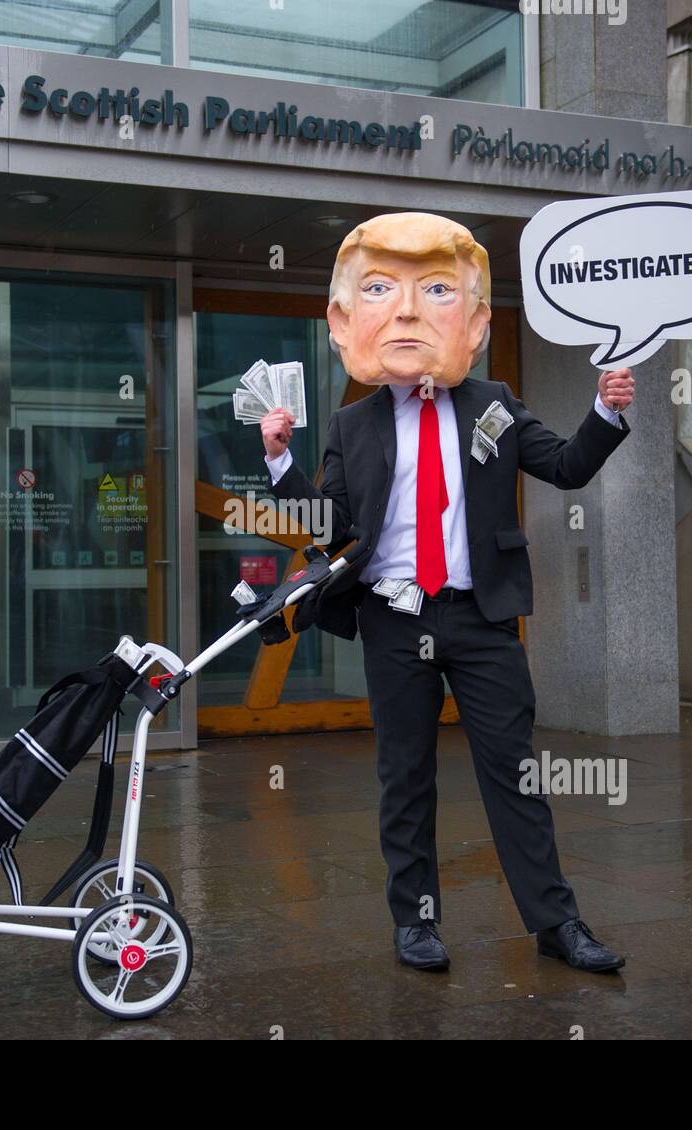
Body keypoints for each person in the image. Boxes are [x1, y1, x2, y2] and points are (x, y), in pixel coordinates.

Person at [259, 212, 634, 973]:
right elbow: (329, 528)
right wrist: (279, 463)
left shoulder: (490, 402)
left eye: (435, 291)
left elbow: (565, 467)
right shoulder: (352, 424)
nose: (408, 313)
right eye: (383, 292)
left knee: (515, 774)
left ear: (472, 321)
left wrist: (607, 410)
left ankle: (556, 924)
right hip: (394, 621)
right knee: (406, 778)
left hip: (479, 619)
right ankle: (417, 923)